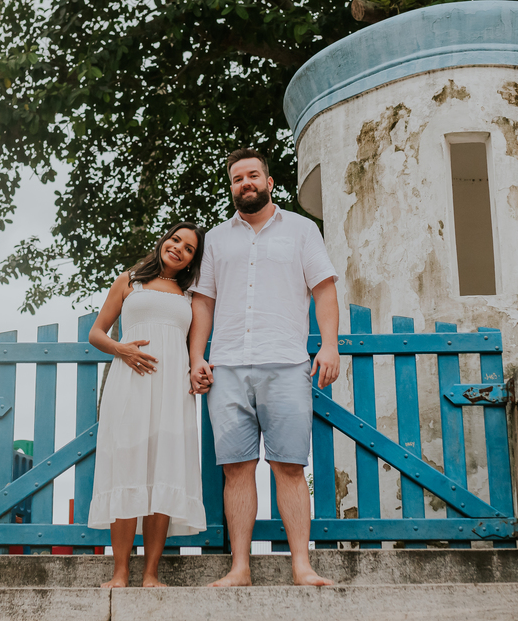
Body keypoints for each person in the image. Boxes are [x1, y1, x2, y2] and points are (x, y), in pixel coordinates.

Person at [189, 148, 341, 588]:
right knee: (236, 468)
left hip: (287, 363)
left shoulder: (301, 229)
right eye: (237, 179)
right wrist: (197, 357)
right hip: (229, 367)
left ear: (270, 182)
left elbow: (324, 290)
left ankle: (302, 567)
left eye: (253, 175)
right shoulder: (216, 238)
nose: (245, 183)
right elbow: (204, 301)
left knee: (290, 466)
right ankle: (239, 568)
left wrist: (328, 347)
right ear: (232, 187)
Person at [87, 222, 208, 588]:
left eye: (188, 248)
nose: (178, 248)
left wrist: (196, 370)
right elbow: (95, 333)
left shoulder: (192, 296)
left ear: (191, 261)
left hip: (173, 392)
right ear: (163, 241)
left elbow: (196, 349)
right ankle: (120, 572)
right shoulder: (130, 281)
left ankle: (151, 573)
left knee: (163, 472)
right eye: (175, 239)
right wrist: (121, 348)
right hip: (130, 386)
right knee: (126, 469)